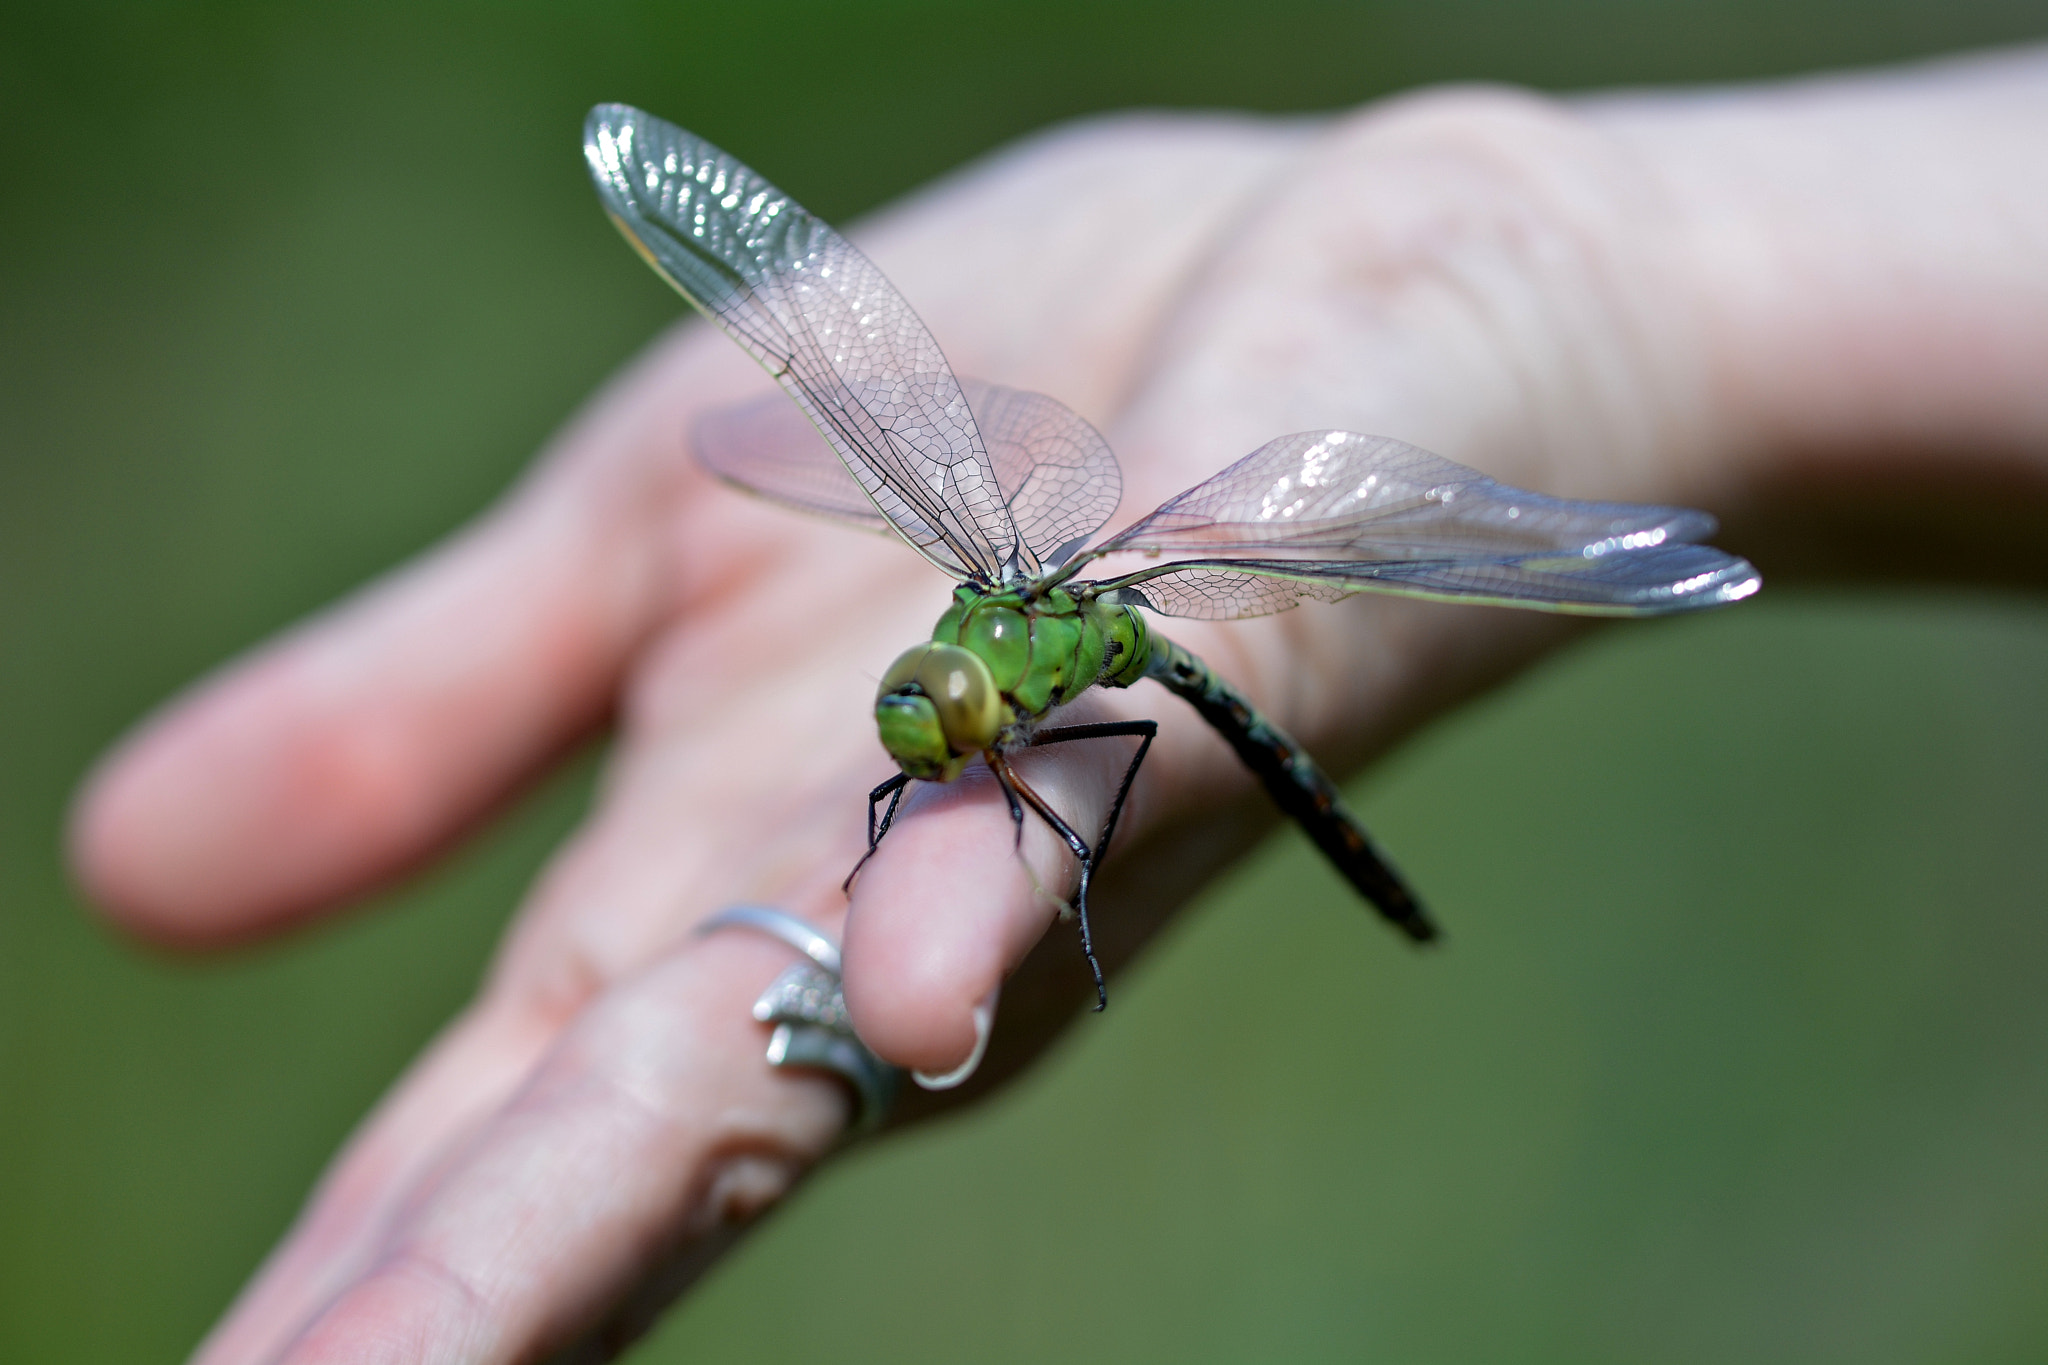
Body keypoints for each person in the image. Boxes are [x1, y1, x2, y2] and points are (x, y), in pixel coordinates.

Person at [68, 46, 2048, 1364]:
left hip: (1165, 644)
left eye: (937, 720)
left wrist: (1579, 287)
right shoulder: (951, 643)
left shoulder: (1060, 680)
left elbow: (1064, 753)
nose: (923, 735)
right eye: (925, 716)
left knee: (1080, 797)